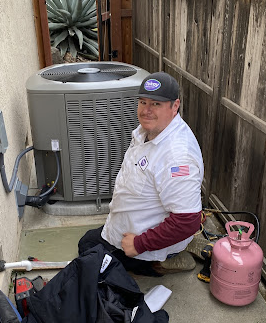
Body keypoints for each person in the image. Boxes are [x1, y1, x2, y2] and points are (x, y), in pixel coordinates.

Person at [78, 71, 204, 276]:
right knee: (90, 242)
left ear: (175, 106)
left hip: (143, 245)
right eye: (143, 102)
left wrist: (139, 243)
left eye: (156, 104)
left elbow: (187, 221)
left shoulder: (177, 157)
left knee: (87, 248)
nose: (146, 110)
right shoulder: (150, 131)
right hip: (132, 226)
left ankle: (165, 261)